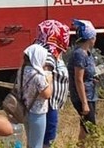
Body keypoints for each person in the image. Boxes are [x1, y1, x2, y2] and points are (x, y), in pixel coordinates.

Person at [35, 20, 70, 148]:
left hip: (50, 104)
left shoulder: (48, 52)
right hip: (47, 106)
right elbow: (44, 82)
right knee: (45, 142)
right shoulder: (48, 55)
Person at [68, 19, 98, 145]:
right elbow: (78, 79)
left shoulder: (88, 53)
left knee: (85, 127)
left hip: (90, 94)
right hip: (83, 96)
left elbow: (86, 75)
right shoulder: (79, 54)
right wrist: (84, 103)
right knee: (91, 128)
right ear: (90, 38)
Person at [17, 44, 53, 148]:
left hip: (24, 110)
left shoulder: (22, 71)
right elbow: (47, 94)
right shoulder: (38, 76)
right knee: (37, 144)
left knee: (30, 142)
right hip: (37, 113)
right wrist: (49, 81)